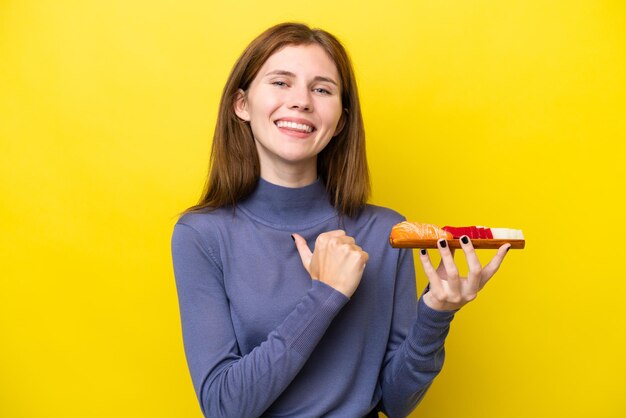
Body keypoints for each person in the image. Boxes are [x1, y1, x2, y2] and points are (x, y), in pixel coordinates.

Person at [171, 22, 510, 418]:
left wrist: (436, 312)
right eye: (281, 82)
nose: (301, 101)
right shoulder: (201, 235)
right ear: (241, 104)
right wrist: (325, 295)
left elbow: (396, 403)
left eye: (322, 89)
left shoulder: (387, 233)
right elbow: (224, 407)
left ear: (341, 121)